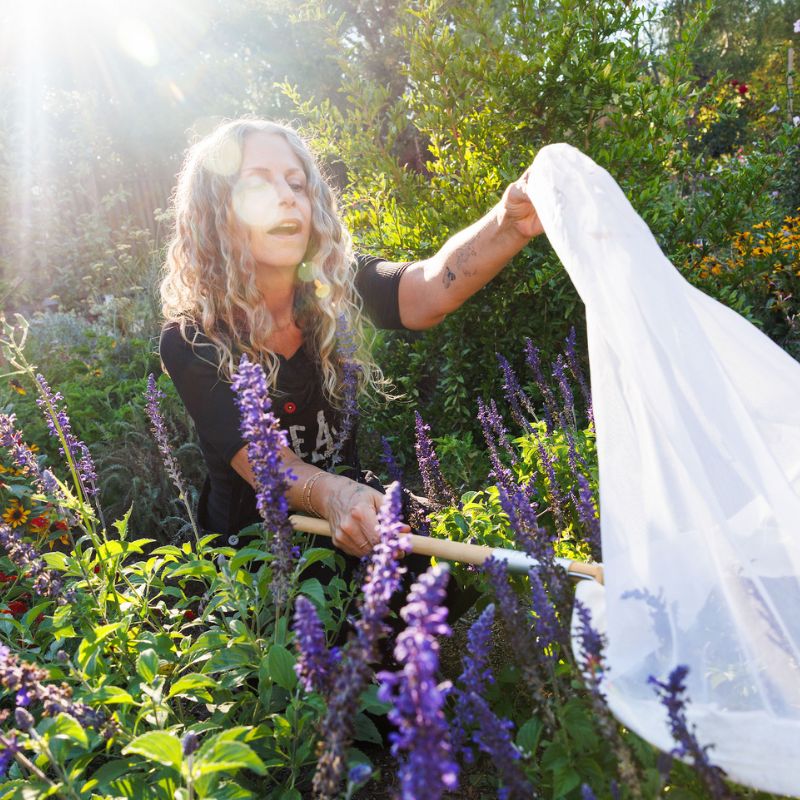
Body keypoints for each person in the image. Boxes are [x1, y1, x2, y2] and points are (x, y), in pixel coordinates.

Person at [159, 118, 543, 557]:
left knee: (470, 560)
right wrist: (336, 495)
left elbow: (430, 288)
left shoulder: (336, 286)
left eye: (297, 184)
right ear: (217, 212)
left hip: (353, 515)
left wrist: (509, 224)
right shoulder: (192, 338)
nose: (287, 197)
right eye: (259, 185)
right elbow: (269, 464)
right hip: (257, 562)